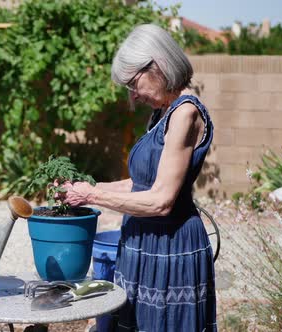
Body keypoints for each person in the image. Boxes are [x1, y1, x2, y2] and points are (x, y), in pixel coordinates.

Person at [59, 24, 216, 331]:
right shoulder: (161, 113)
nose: (134, 95)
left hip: (170, 247)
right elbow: (141, 184)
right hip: (143, 242)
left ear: (157, 66)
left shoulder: (185, 113)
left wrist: (90, 197)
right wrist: (85, 187)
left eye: (134, 84)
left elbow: (161, 201)